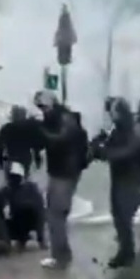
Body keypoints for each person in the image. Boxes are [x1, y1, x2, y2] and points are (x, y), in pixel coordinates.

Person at [33, 90, 89, 269]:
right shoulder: (62, 118)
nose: (42, 111)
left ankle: (60, 255)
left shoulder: (64, 119)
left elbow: (60, 140)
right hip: (64, 171)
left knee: (55, 215)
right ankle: (61, 253)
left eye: (43, 106)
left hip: (64, 172)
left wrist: (42, 132)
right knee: (57, 214)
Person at [91, 97, 140, 268]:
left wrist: (105, 152)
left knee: (124, 217)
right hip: (120, 178)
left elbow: (126, 152)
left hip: (132, 180)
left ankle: (127, 253)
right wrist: (98, 143)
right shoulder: (117, 130)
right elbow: (103, 149)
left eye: (113, 112)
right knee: (119, 217)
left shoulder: (134, 130)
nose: (111, 116)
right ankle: (125, 250)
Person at [2, 162, 46, 249]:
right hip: (32, 221)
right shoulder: (31, 187)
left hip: (26, 220)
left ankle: (22, 239)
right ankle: (29, 239)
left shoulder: (9, 190)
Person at [0, 105, 42, 179]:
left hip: (11, 159)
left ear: (13, 116)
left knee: (11, 182)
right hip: (24, 160)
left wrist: (0, 162)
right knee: (23, 181)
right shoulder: (29, 130)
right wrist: (38, 160)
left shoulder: (6, 128)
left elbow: (0, 147)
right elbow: (35, 146)